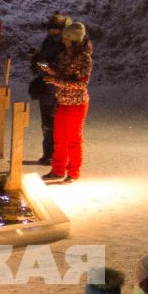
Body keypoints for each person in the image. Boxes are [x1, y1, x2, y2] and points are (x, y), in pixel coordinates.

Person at [46, 20, 92, 182]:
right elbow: (62, 73)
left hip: (77, 103)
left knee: (73, 138)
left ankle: (73, 172)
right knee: (59, 137)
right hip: (63, 101)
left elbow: (81, 84)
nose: (63, 41)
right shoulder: (66, 53)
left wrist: (56, 81)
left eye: (66, 38)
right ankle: (57, 170)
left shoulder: (84, 58)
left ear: (74, 39)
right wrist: (48, 69)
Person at [28, 13, 67, 167]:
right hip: (46, 87)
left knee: (55, 123)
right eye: (50, 28)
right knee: (46, 124)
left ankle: (56, 155)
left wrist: (40, 62)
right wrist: (36, 60)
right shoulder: (47, 42)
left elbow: (54, 69)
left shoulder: (65, 45)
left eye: (55, 29)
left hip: (57, 88)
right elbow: (43, 67)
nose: (51, 31)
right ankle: (48, 153)